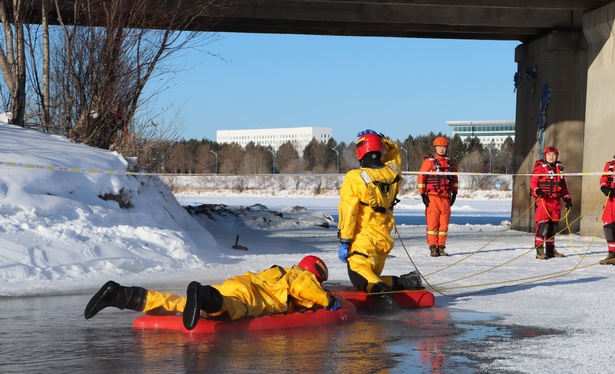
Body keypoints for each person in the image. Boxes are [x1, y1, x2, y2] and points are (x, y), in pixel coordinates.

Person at [84, 255, 342, 330]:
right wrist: (327, 300)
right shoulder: (303, 277)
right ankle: (203, 295)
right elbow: (303, 288)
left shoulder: (281, 271)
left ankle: (120, 295)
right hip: (251, 298)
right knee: (231, 310)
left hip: (237, 283)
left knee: (180, 304)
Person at [338, 129, 423, 312]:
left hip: (363, 245)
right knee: (371, 275)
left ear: (361, 152)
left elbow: (348, 211)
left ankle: (385, 298)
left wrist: (345, 240)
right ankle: (405, 281)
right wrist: (382, 139)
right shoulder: (392, 171)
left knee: (359, 278)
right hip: (382, 244)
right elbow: (395, 154)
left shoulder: (355, 178)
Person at [417, 135, 459, 257]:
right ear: (435, 147)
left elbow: (455, 178)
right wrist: (423, 194)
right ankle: (433, 247)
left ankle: (441, 247)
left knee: (443, 225)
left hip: (446, 198)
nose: (441, 149)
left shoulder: (450, 163)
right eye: (439, 147)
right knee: (432, 224)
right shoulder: (428, 162)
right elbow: (421, 177)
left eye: (444, 147)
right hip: (432, 198)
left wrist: (454, 192)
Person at [530, 145, 572, 259]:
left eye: (553, 155)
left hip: (555, 202)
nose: (551, 157)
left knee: (553, 227)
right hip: (544, 201)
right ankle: (539, 250)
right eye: (549, 155)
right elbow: (533, 182)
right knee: (543, 225)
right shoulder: (540, 168)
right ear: (545, 156)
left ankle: (550, 249)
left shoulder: (559, 170)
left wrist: (567, 199)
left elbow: (563, 187)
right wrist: (537, 190)